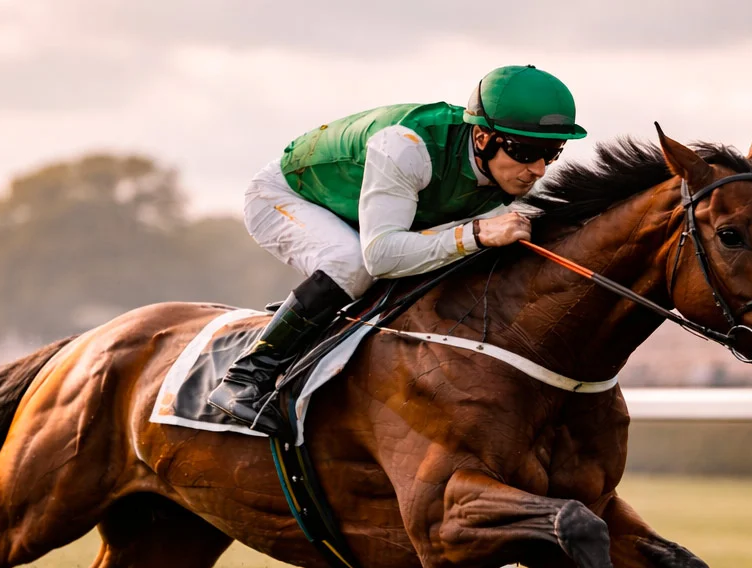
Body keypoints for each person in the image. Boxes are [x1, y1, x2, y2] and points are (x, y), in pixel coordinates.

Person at [208, 65, 587, 435]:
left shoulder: (514, 174)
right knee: (352, 264)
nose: (538, 169)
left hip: (374, 213)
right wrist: (475, 233)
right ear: (483, 137)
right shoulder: (407, 148)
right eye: (524, 152)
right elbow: (382, 256)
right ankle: (246, 374)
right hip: (287, 196)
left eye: (552, 154)